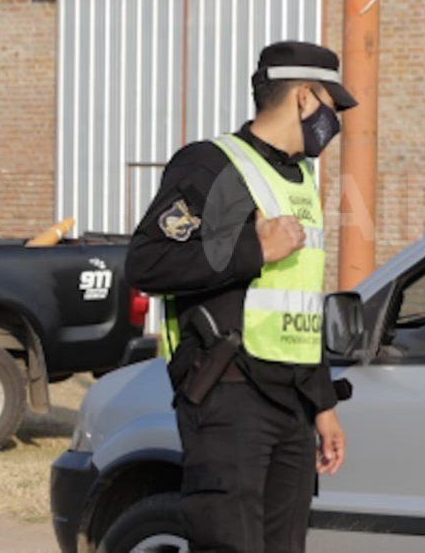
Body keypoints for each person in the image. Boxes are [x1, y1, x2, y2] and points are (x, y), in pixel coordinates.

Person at [126, 40, 356, 553]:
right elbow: (148, 263)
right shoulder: (212, 166)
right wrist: (255, 248)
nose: (335, 120)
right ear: (304, 97)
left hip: (291, 403)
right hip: (229, 394)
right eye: (332, 105)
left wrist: (322, 405)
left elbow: (300, 303)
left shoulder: (300, 179)